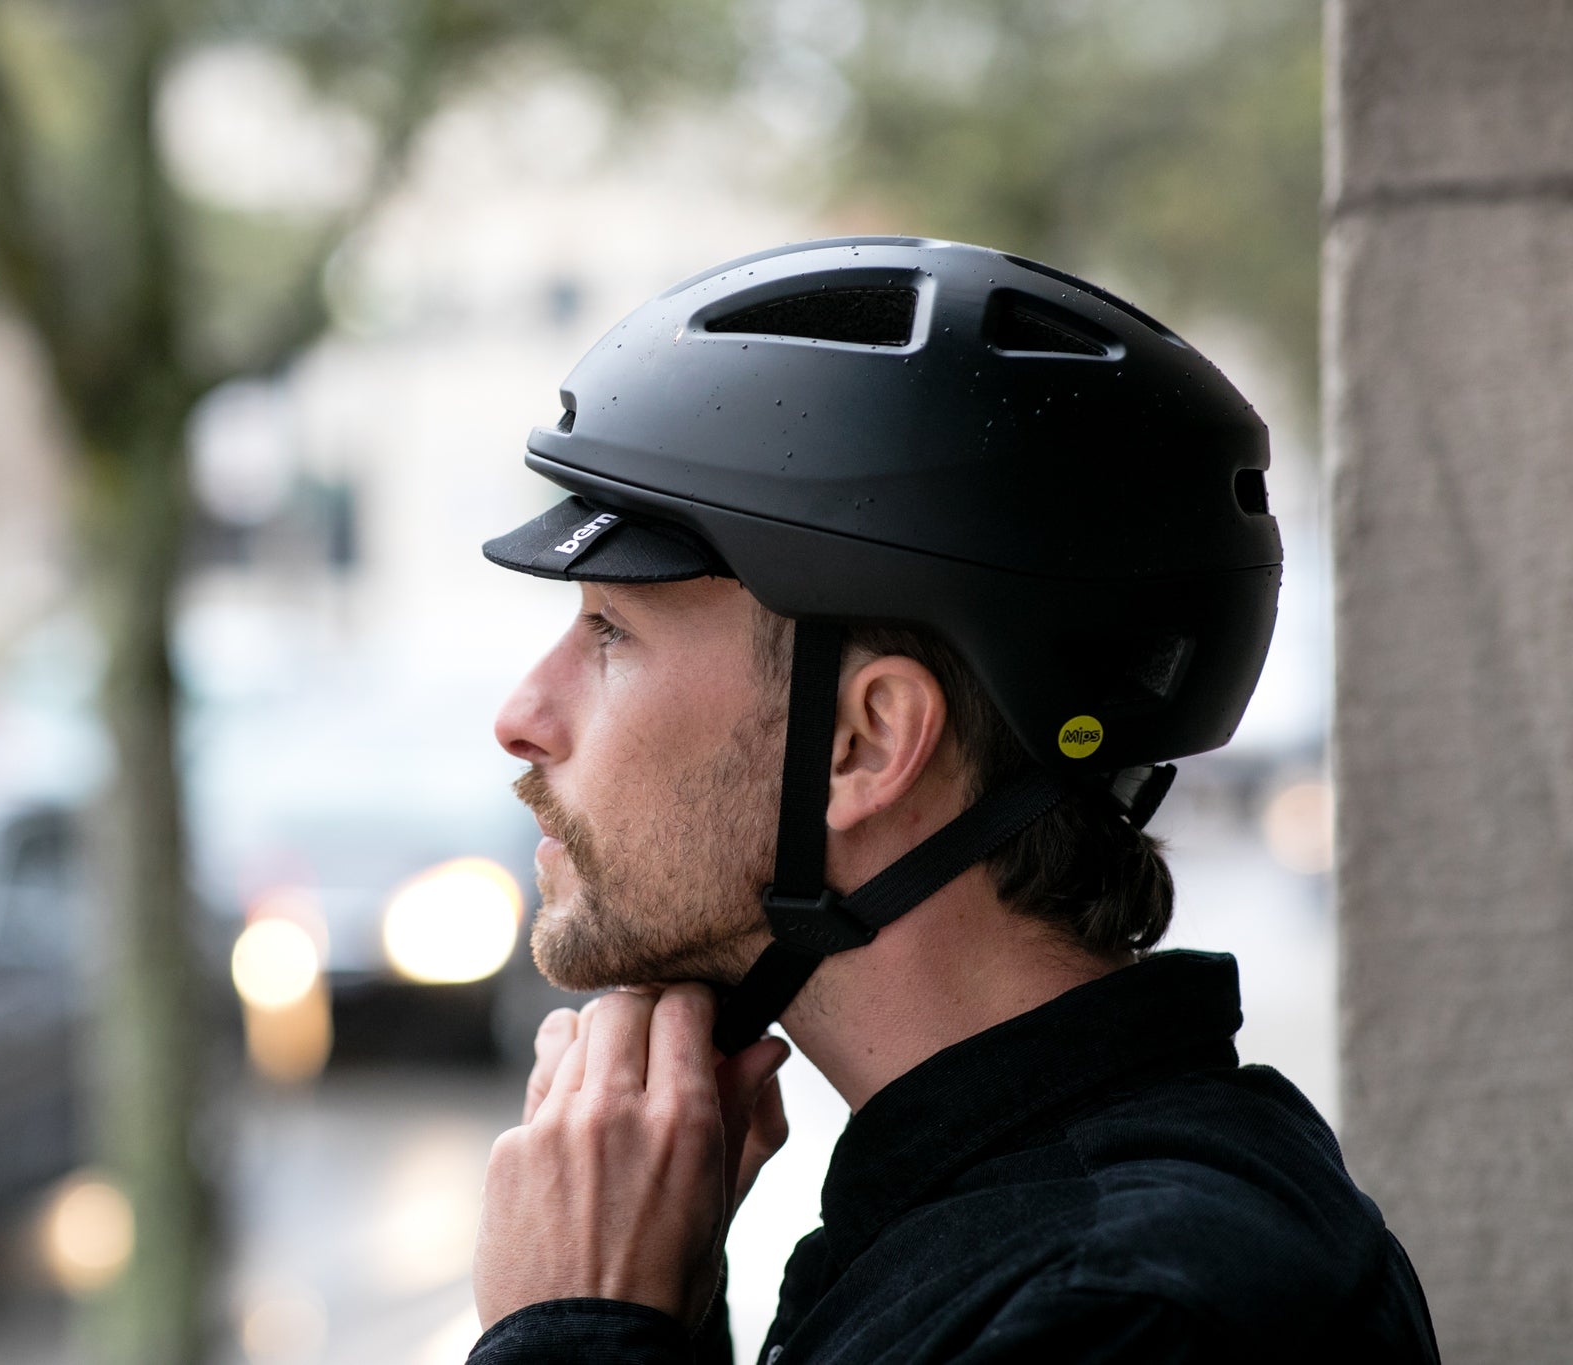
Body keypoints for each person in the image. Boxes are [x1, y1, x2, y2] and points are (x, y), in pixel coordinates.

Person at [465, 238, 1439, 1363]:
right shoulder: (988, 1233)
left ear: (862, 743)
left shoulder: (1128, 1317)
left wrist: (572, 1335)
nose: (521, 716)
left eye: (608, 632)